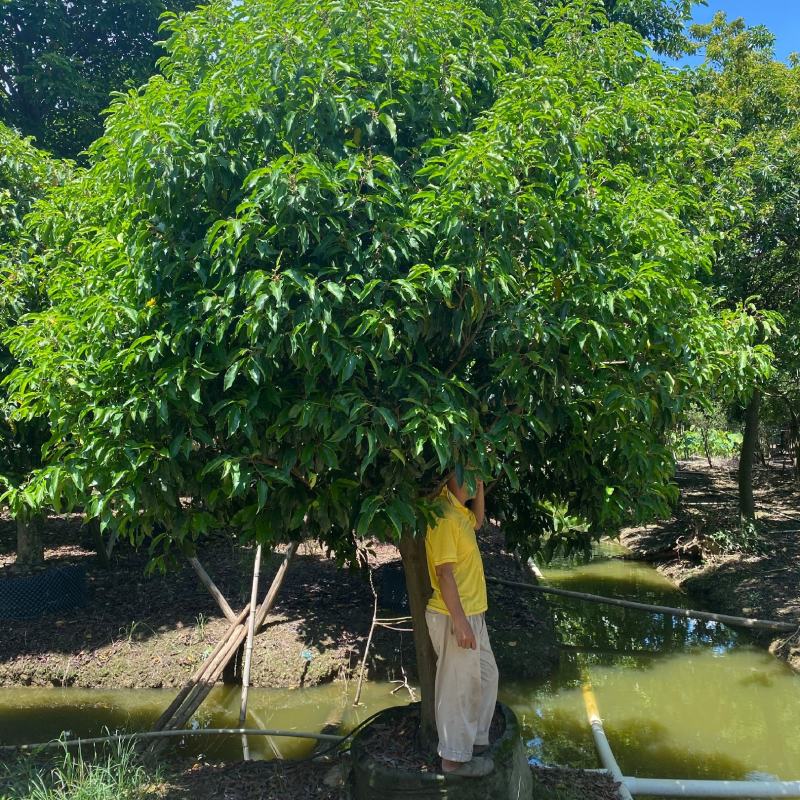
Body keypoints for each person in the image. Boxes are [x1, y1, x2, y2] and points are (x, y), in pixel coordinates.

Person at [424, 472, 498, 778]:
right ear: (447, 480)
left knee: (486, 677)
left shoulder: (459, 512)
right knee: (458, 688)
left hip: (473, 614)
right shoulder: (442, 515)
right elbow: (444, 574)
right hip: (454, 615)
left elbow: (478, 522)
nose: (473, 479)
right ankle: (453, 761)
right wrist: (460, 622)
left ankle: (475, 741)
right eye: (466, 475)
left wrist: (479, 488)